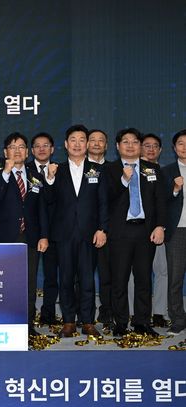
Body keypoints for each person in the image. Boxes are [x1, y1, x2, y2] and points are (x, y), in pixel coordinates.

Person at [45, 124, 108, 338]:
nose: (77, 144)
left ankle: (88, 321)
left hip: (89, 233)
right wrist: (50, 179)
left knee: (87, 280)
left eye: (82, 140)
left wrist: (102, 229)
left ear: (87, 144)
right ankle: (69, 321)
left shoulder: (97, 170)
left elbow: (103, 203)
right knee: (66, 279)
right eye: (73, 140)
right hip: (64, 233)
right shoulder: (57, 169)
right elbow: (48, 200)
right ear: (65, 144)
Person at [106, 128, 166, 337]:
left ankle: (142, 322)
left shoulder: (152, 169)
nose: (130, 145)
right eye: (125, 141)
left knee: (143, 279)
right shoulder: (110, 169)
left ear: (140, 146)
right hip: (119, 232)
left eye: (134, 142)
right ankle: (121, 322)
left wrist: (160, 226)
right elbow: (105, 199)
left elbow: (160, 200)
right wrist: (124, 180)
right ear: (117, 146)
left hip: (146, 231)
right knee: (119, 280)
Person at [0, 132, 49, 336]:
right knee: (4, 282)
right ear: (5, 152)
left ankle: (27, 325)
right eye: (12, 147)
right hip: (4, 237)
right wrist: (6, 172)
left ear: (27, 152)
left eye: (21, 147)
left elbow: (42, 209)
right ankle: (4, 323)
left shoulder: (35, 176)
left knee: (29, 283)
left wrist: (44, 235)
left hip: (30, 236)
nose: (17, 151)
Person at [127, 133, 168, 328]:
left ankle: (158, 312)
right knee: (133, 274)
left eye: (155, 146)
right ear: (140, 148)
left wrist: (161, 226)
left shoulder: (164, 171)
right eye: (147, 145)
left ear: (161, 150)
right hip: (134, 231)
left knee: (161, 271)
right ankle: (133, 313)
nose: (151, 149)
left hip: (158, 230)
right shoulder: (129, 170)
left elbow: (165, 202)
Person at [27, 132, 60, 326]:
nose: (41, 149)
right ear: (32, 150)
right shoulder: (24, 169)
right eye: (37, 146)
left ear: (52, 149)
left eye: (45, 145)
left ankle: (48, 314)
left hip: (53, 231)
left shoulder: (61, 170)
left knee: (51, 275)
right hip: (29, 231)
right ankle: (27, 315)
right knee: (28, 276)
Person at [87, 129, 114, 328]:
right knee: (82, 276)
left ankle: (107, 314)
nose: (97, 143)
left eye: (101, 141)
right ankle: (84, 314)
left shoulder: (114, 169)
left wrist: (104, 228)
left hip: (109, 231)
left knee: (107, 276)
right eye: (92, 140)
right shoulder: (76, 167)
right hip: (81, 231)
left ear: (107, 145)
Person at [164, 129, 186, 335]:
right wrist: (175, 190)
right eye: (181, 143)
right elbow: (161, 201)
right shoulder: (167, 171)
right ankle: (178, 319)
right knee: (175, 278)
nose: (185, 147)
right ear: (174, 147)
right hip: (177, 230)